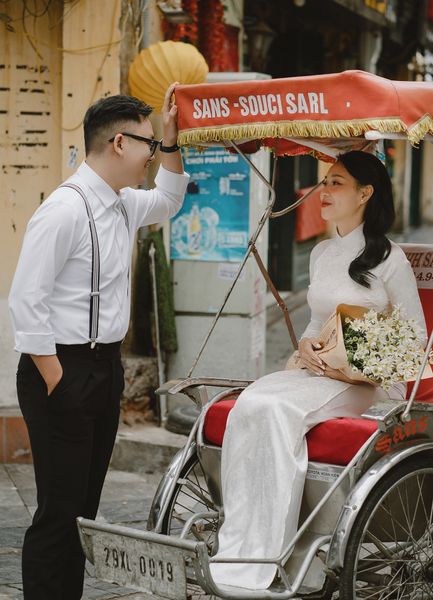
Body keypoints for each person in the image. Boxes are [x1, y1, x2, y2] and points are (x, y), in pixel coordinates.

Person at [209, 150, 427, 590]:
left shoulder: (390, 260)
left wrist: (363, 358)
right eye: (324, 181)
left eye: (336, 183)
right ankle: (238, 548)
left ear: (364, 194)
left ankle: (266, 557)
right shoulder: (322, 253)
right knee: (251, 401)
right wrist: (306, 344)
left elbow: (416, 338)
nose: (323, 191)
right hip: (318, 372)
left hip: (368, 384)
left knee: (276, 410)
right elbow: (314, 323)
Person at [8, 85, 189, 600]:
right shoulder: (64, 209)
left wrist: (172, 143)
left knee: (84, 508)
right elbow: (26, 300)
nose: (152, 156)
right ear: (118, 144)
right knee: (59, 511)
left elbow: (171, 199)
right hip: (59, 368)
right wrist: (56, 380)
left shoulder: (122, 204)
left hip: (104, 369)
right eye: (149, 145)